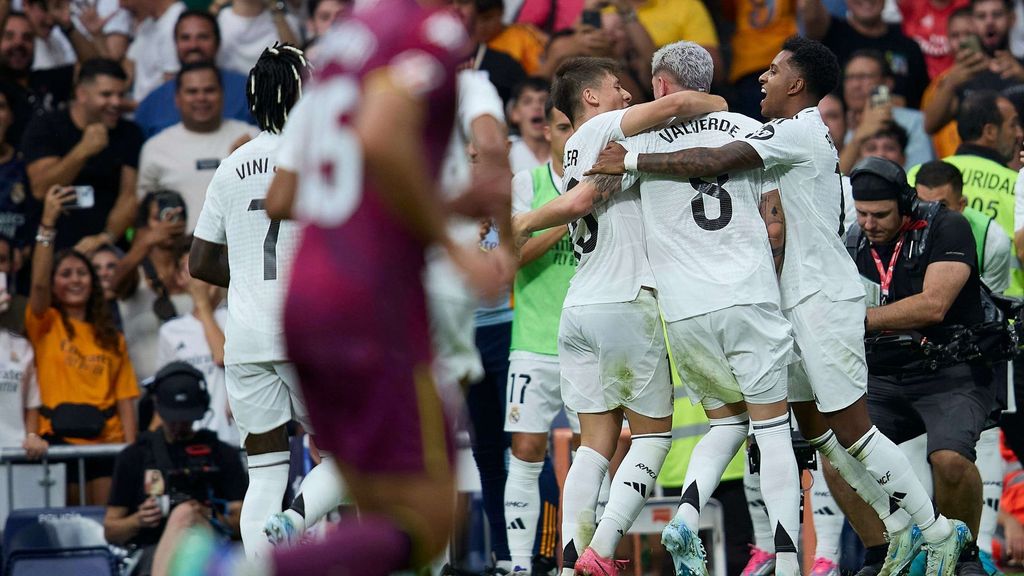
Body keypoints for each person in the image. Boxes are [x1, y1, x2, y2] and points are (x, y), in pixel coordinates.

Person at [586, 35, 971, 576]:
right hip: (791, 300)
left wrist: (632, 158)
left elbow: (713, 158)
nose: (761, 78)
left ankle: (936, 532)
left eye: (771, 70)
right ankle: (900, 526)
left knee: (852, 431)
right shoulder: (780, 132)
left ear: (797, 84)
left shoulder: (799, 132)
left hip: (823, 297)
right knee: (814, 430)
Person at [219, 2, 512, 572]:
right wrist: (450, 239)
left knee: (378, 501)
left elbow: (282, 197)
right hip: (374, 302)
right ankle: (232, 569)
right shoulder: (431, 31)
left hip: (305, 300)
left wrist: (430, 205)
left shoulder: (337, 54)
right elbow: (382, 137)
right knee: (428, 515)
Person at [511, 55, 732, 574]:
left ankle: (569, 561)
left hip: (580, 308)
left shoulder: (573, 151)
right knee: (653, 437)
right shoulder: (605, 128)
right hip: (627, 300)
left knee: (594, 446)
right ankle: (601, 552)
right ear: (590, 98)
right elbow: (677, 104)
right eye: (616, 87)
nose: (627, 96)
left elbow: (581, 200)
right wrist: (721, 103)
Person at [189, 44, 344, 560]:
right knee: (352, 456)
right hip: (310, 332)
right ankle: (297, 519)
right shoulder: (325, 157)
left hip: (247, 336)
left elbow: (199, 262)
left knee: (265, 471)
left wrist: (252, 281)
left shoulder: (231, 166)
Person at [841, 156, 994, 576]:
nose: (869, 224)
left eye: (880, 215)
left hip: (953, 369)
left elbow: (934, 305)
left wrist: (859, 319)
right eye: (862, 214)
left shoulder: (947, 226)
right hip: (887, 373)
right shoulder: (854, 239)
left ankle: (962, 556)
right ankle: (883, 552)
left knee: (948, 460)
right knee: (837, 452)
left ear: (906, 204)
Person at [28, 185, 139, 505]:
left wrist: (130, 456)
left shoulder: (111, 337)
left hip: (106, 443)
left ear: (93, 282)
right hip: (57, 442)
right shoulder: (44, 323)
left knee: (100, 529)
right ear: (53, 284)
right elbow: (36, 282)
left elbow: (126, 401)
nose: (75, 279)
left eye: (81, 273)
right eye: (65, 274)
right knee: (67, 530)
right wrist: (47, 226)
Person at [104, 362, 245, 576]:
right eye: (173, 419)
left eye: (187, 419)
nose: (179, 426)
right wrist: (138, 520)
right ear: (158, 408)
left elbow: (243, 520)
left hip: (209, 546)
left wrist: (209, 515)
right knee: (184, 514)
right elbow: (110, 529)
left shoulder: (221, 453)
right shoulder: (135, 456)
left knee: (187, 514)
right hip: (152, 551)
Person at [20, 58, 144, 254]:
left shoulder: (130, 133)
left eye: (121, 95)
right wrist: (83, 150)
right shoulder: (46, 126)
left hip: (106, 253)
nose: (116, 103)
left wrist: (104, 238)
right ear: (81, 94)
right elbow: (40, 188)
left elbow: (129, 196)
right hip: (51, 249)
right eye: (106, 94)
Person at [911, 90, 1022, 296]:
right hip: (1008, 316)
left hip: (921, 307)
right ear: (989, 131)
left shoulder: (916, 174)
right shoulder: (1019, 184)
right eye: (1013, 124)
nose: (1019, 133)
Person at [137, 62, 258, 232]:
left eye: (209, 90)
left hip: (241, 245)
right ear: (177, 99)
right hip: (180, 251)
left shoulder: (253, 139)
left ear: (222, 94)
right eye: (192, 92)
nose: (201, 98)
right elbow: (143, 214)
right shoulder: (155, 147)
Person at [108, 191, 192, 382]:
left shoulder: (193, 270)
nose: (168, 224)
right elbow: (114, 285)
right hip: (145, 387)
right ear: (144, 225)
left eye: (175, 216)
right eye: (159, 217)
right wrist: (145, 242)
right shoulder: (134, 272)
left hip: (194, 385)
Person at [134, 10, 256, 139]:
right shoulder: (151, 104)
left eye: (203, 37)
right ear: (175, 44)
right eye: (185, 38)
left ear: (218, 42)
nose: (193, 45)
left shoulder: (250, 91)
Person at [800, 0, 930, 108]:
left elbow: (924, 100)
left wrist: (901, 105)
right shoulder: (831, 33)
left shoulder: (909, 47)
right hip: (842, 133)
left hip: (900, 130)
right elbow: (812, 16)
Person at [916, 160, 1011, 292]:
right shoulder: (897, 226)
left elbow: (990, 306)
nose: (929, 214)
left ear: (961, 205)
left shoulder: (993, 239)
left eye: (941, 206)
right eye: (922, 204)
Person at [839, 50, 934, 173]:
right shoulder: (838, 122)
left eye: (864, 77)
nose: (855, 85)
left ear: (887, 83)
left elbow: (919, 173)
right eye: (849, 78)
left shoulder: (915, 121)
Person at [0, 11, 74, 146]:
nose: (18, 43)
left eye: (27, 37)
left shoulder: (47, 78)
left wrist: (69, 27)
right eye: (9, 36)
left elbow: (94, 70)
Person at [122, 0, 187, 104]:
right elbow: (126, 70)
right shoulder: (148, 24)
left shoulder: (177, 24)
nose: (121, 5)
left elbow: (170, 93)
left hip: (157, 115)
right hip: (137, 111)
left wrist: (123, 106)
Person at [213, 0, 301, 76]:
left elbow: (295, 59)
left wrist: (276, 10)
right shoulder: (218, 20)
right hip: (227, 90)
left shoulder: (287, 22)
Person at [507, 77, 551, 173]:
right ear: (514, 113)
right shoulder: (505, 152)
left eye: (544, 101)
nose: (537, 106)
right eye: (527, 101)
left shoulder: (567, 151)